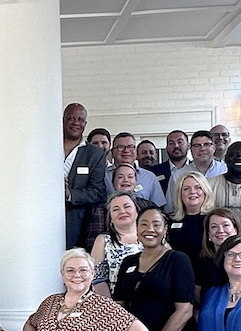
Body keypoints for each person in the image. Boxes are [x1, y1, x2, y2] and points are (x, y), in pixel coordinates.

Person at [63, 103, 109, 251]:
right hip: (41, 219)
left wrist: (70, 194)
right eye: (71, 118)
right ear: (63, 120)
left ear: (85, 124)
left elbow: (98, 191)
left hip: (77, 226)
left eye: (80, 119)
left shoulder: (95, 155)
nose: (76, 122)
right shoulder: (46, 148)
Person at [82, 163, 158, 248]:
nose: (126, 180)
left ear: (136, 182)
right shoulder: (100, 209)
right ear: (113, 182)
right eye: (120, 177)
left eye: (130, 177)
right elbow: (91, 243)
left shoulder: (148, 206)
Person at [90, 191, 143, 297]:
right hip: (114, 304)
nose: (122, 211)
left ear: (137, 212)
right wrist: (112, 309)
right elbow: (97, 279)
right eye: (115, 209)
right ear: (110, 218)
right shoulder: (103, 240)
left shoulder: (152, 237)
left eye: (127, 206)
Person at [106, 132, 167, 209]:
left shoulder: (150, 177)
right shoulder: (103, 176)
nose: (126, 150)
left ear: (136, 151)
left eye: (130, 147)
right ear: (112, 152)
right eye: (121, 147)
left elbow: (159, 208)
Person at [193, 207, 241, 300]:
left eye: (225, 225)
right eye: (214, 226)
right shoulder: (201, 262)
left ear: (236, 229)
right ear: (209, 234)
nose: (220, 230)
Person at [167, 171, 215, 257]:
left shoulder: (213, 219)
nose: (192, 192)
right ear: (180, 194)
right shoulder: (170, 220)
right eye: (186, 189)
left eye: (198, 187)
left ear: (205, 191)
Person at [148, 130, 188, 195]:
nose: (176, 146)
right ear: (166, 148)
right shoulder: (153, 172)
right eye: (171, 143)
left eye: (180, 142)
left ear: (188, 145)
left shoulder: (197, 169)